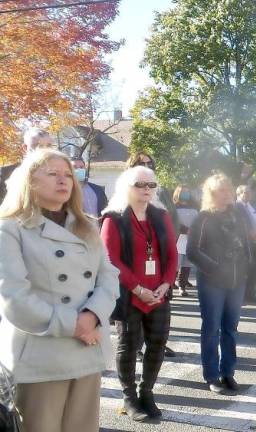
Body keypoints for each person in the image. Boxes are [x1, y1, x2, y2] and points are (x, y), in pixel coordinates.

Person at [0, 149, 119, 432]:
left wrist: (91, 316)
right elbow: (15, 298)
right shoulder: (10, 229)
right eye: (52, 174)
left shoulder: (87, 225)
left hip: (86, 347)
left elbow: (109, 277)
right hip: (41, 354)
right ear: (29, 181)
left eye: (68, 175)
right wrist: (75, 324)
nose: (63, 180)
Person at [101, 166, 178, 421]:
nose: (146, 189)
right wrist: (138, 289)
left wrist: (166, 284)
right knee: (128, 346)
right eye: (140, 184)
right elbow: (111, 258)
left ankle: (147, 392)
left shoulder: (161, 215)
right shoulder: (114, 217)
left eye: (151, 185)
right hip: (129, 294)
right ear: (127, 186)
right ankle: (129, 397)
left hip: (159, 294)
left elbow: (171, 254)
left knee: (157, 343)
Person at [186, 174, 251, 395]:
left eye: (228, 189)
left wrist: (246, 268)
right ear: (212, 194)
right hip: (212, 282)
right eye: (222, 190)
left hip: (236, 281)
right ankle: (212, 375)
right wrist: (215, 268)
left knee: (231, 329)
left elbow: (246, 244)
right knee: (211, 328)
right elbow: (192, 251)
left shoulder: (238, 216)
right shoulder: (203, 218)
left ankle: (228, 372)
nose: (227, 194)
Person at [126, 152, 179, 358]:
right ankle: (136, 346)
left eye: (150, 163)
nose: (147, 165)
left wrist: (168, 249)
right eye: (141, 163)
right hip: (135, 257)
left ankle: (156, 342)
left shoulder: (161, 191)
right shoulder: (125, 190)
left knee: (160, 300)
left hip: (160, 255)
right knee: (137, 300)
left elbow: (172, 219)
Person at [0, 128, 55, 203]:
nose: (44, 151)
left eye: (49, 146)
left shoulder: (62, 174)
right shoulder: (4, 174)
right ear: (25, 148)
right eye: (38, 146)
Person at [236, 185, 256, 303]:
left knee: (254, 269)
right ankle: (240, 295)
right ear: (239, 194)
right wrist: (249, 233)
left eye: (249, 192)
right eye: (245, 192)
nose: (248, 195)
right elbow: (236, 225)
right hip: (244, 243)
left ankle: (250, 293)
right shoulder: (235, 207)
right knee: (243, 271)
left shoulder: (254, 207)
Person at [173, 185, 199, 297]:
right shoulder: (174, 207)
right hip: (178, 238)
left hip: (190, 238)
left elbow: (198, 221)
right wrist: (184, 229)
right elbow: (173, 222)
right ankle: (169, 284)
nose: (186, 194)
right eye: (184, 192)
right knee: (176, 264)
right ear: (178, 193)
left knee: (187, 265)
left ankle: (182, 287)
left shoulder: (194, 207)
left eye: (188, 192)